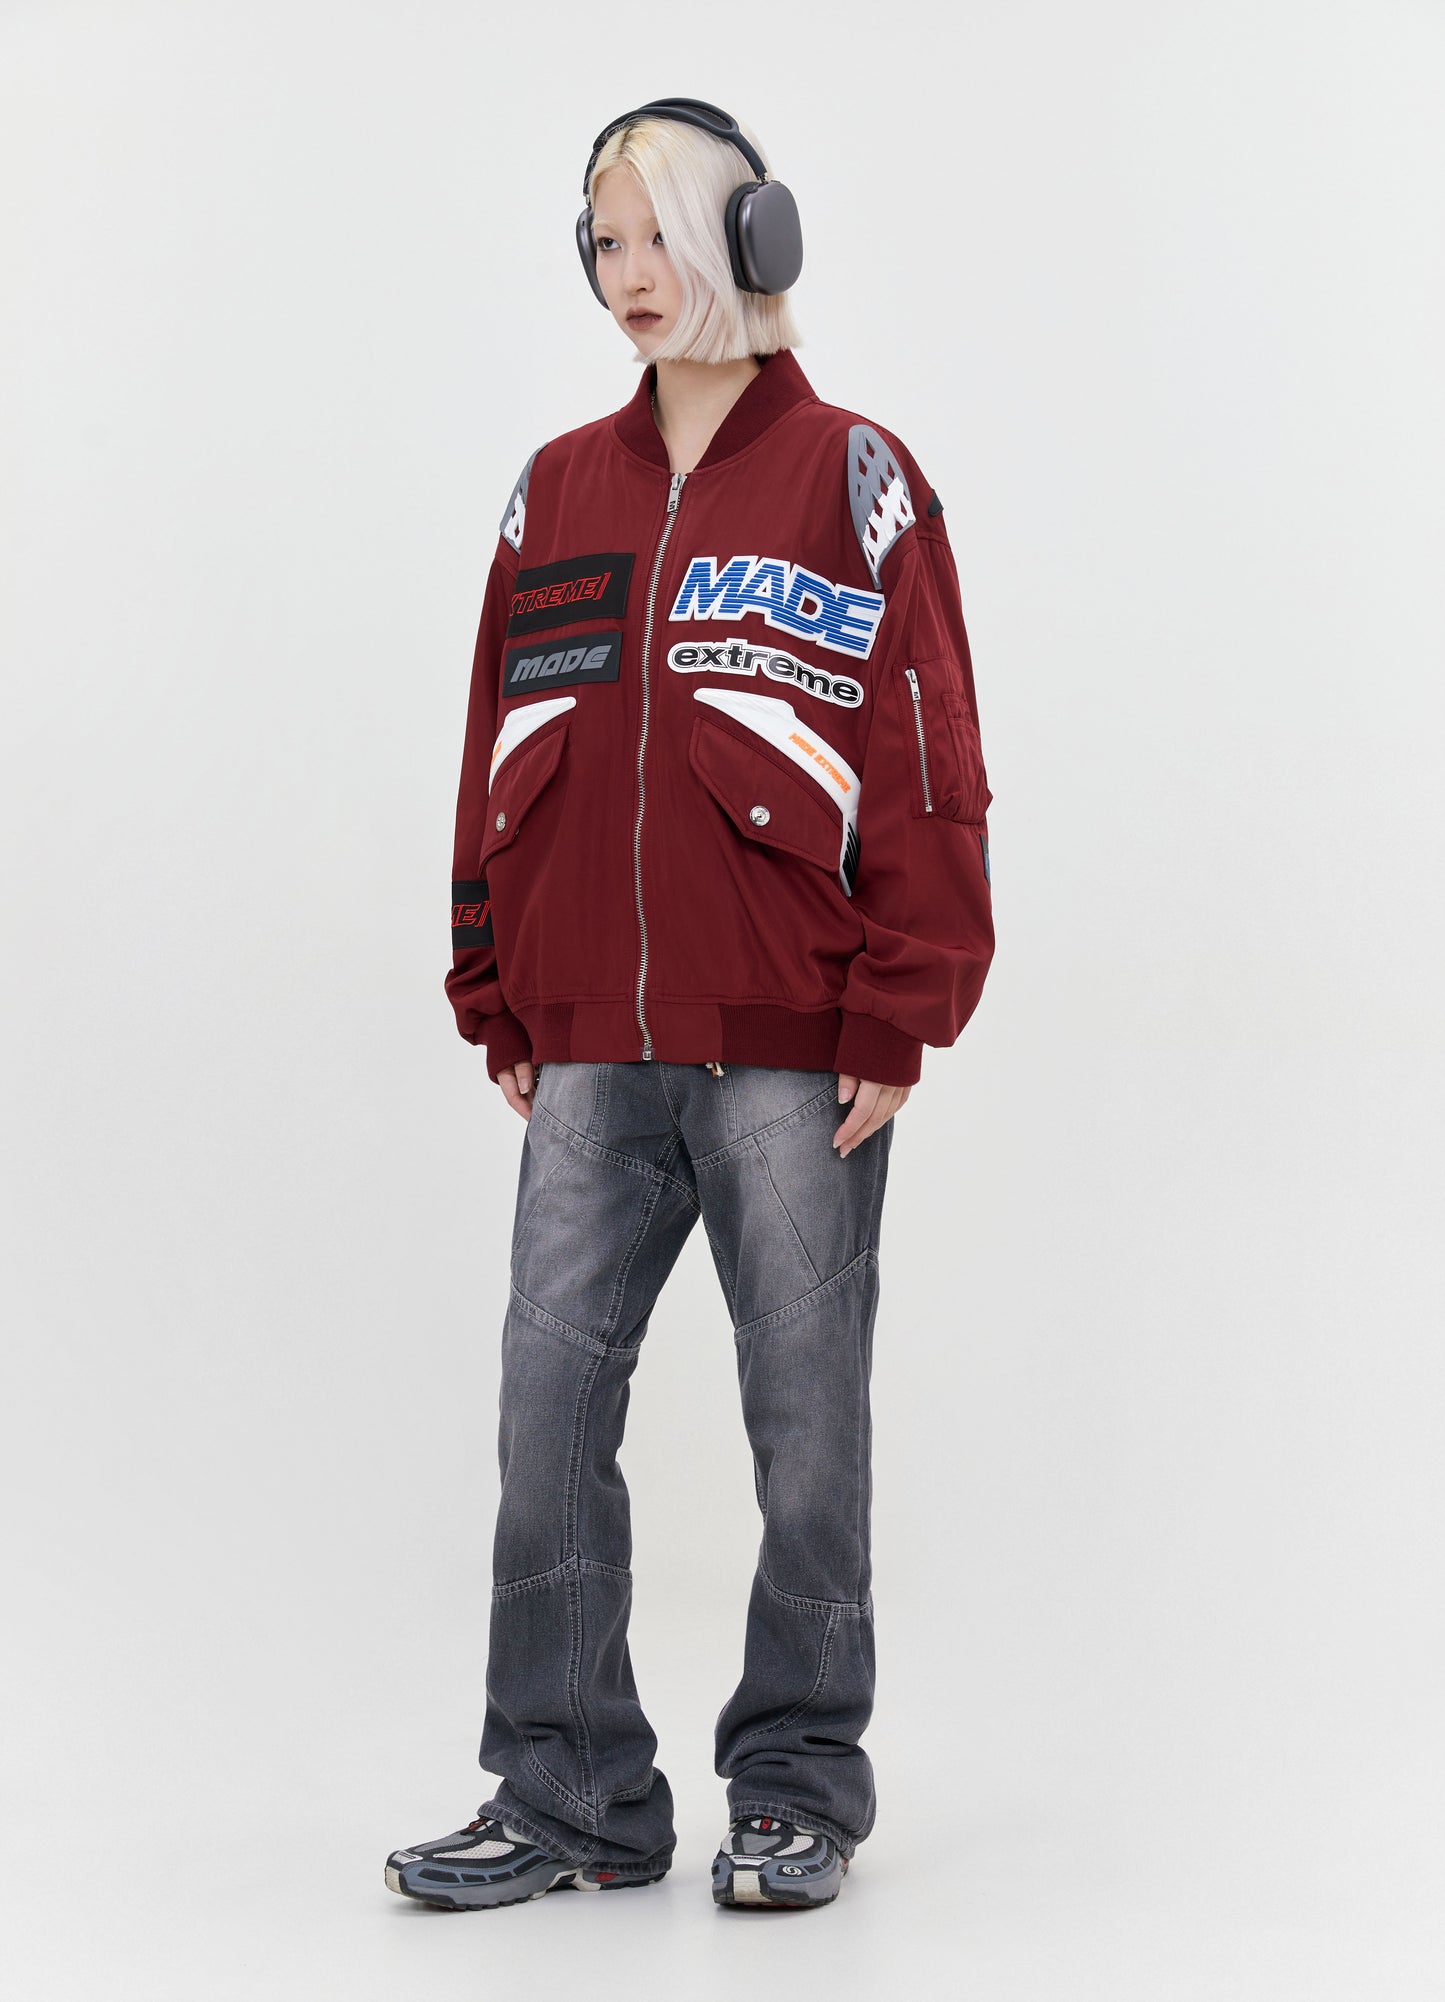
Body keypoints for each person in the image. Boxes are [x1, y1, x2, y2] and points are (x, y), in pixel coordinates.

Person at [385, 97, 995, 1915]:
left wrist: (898, 1008)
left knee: (805, 1427)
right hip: (584, 1044)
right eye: (602, 241)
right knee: (544, 1410)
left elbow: (926, 748)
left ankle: (795, 1780)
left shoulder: (853, 478)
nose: (626, 274)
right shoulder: (553, 490)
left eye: (656, 233)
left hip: (791, 1048)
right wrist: (495, 980)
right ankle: (570, 1786)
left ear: (752, 234)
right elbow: (499, 739)